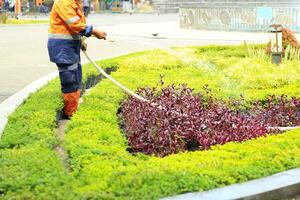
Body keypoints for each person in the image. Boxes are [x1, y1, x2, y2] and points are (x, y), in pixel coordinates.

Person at [47, 0, 107, 119]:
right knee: (70, 80)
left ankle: (72, 110)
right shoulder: (64, 2)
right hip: (63, 48)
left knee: (76, 77)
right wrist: (94, 31)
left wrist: (80, 41)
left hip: (69, 47)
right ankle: (70, 113)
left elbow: (73, 27)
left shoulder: (73, 2)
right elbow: (75, 25)